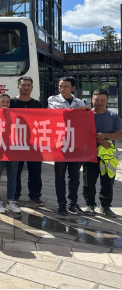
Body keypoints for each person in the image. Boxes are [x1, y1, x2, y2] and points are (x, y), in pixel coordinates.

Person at [48, 76, 90, 216]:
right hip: (60, 143)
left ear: (73, 88)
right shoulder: (53, 99)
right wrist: (79, 110)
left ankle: (73, 203)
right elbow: (60, 114)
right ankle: (61, 203)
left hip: (76, 143)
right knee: (60, 175)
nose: (62, 89)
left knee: (75, 176)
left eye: (66, 86)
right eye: (60, 86)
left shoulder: (79, 102)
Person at [84, 89, 122, 218]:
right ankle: (90, 205)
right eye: (97, 100)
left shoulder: (113, 116)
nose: (99, 102)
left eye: (102, 100)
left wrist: (105, 136)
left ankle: (105, 206)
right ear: (92, 100)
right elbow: (82, 133)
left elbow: (119, 133)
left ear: (107, 101)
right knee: (89, 181)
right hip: (90, 154)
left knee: (107, 181)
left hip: (108, 155)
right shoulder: (86, 116)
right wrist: (100, 141)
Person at [11, 76, 45, 207]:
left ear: (32, 87)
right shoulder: (11, 102)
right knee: (15, 171)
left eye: (28, 85)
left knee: (35, 171)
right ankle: (14, 195)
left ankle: (35, 196)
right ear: (18, 86)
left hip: (34, 142)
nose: (26, 87)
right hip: (16, 143)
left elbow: (42, 122)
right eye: (23, 85)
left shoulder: (37, 104)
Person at [0, 94, 21, 214]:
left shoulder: (14, 115)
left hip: (12, 148)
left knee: (13, 176)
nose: (5, 104)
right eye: (2, 101)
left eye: (7, 102)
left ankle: (10, 201)